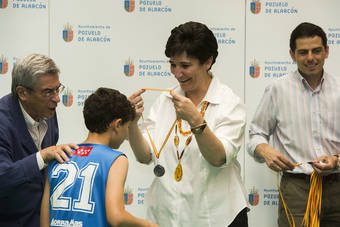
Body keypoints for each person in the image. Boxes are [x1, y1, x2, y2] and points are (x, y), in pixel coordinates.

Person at [128, 21, 248, 227]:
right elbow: (144, 155)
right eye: (173, 64)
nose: (177, 73)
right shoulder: (165, 100)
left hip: (217, 218)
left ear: (208, 62)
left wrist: (196, 121)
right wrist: (132, 123)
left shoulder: (229, 102)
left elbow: (219, 157)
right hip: (168, 217)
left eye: (185, 65)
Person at [247, 22, 340, 227]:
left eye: (316, 51)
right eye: (303, 52)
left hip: (337, 186)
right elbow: (255, 134)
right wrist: (265, 151)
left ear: (327, 51)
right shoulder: (277, 89)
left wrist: (336, 160)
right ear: (292, 55)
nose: (310, 58)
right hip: (297, 189)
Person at [40, 87, 159, 227]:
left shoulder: (59, 156)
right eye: (127, 127)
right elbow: (116, 217)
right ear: (117, 124)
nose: (126, 134)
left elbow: (44, 221)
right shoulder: (116, 159)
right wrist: (149, 225)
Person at [0, 53, 77, 227]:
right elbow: (2, 178)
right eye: (48, 92)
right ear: (22, 93)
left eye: (58, 89)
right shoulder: (2, 121)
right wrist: (42, 156)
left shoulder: (47, 110)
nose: (57, 98)